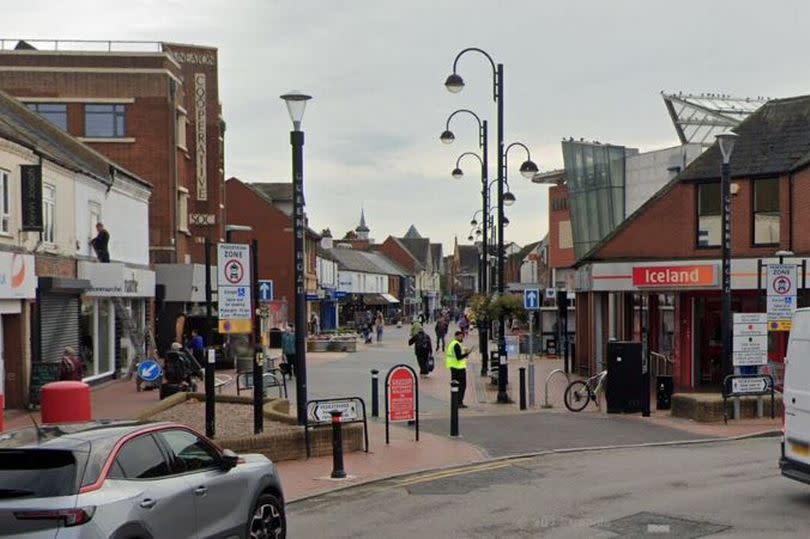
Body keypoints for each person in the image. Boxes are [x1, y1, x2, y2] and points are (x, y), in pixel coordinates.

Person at [446, 330, 472, 408]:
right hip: (458, 368)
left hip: (454, 367)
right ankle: (459, 402)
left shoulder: (454, 344)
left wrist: (465, 352)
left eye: (462, 336)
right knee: (462, 386)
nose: (461, 338)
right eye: (460, 336)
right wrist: (467, 354)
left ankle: (455, 401)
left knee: (455, 386)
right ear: (456, 336)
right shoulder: (456, 345)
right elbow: (458, 357)